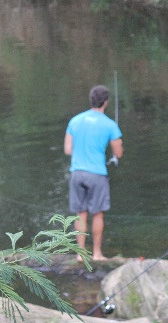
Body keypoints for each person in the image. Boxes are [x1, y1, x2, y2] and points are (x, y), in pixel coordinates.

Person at [64, 85, 123, 261]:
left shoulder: (74, 121)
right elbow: (118, 153)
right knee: (97, 213)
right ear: (106, 102)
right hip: (97, 174)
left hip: (77, 173)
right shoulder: (110, 125)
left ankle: (80, 255)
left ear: (91, 100)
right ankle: (96, 254)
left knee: (80, 213)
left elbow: (68, 149)